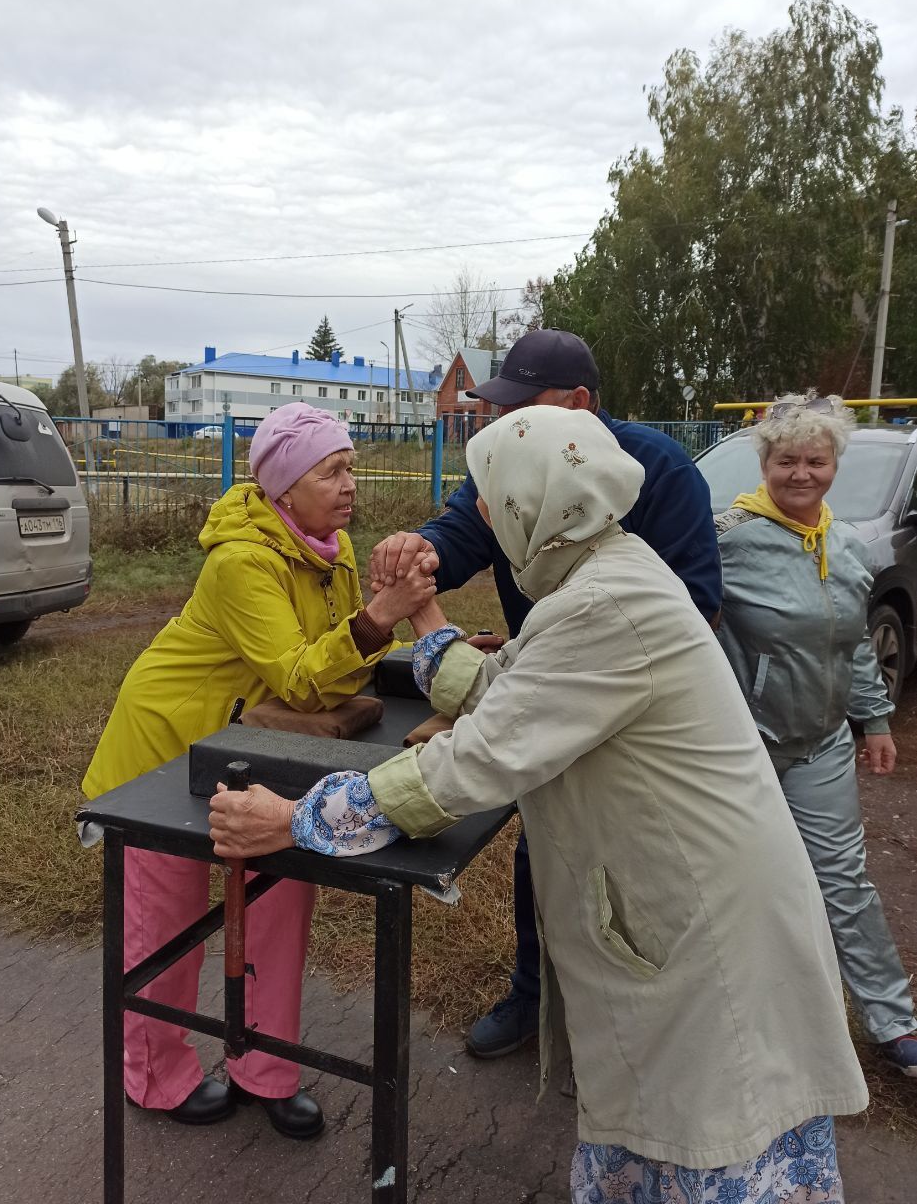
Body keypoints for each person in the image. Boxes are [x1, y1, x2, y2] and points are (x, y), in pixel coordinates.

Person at [210, 405, 867, 1203]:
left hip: (705, 929)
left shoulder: (602, 605)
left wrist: (292, 819)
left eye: (487, 495)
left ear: (535, 503)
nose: (479, 512)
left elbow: (472, 764)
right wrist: (426, 618)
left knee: (715, 1126)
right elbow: (520, 690)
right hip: (694, 901)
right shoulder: (603, 571)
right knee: (675, 1124)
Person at [82, 403, 435, 1133]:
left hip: (257, 756)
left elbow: (334, 678)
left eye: (350, 469)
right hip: (165, 753)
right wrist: (378, 617)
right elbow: (305, 677)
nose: (349, 486)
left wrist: (374, 615)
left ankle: (266, 1067)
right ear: (283, 489)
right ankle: (153, 1074)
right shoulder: (241, 562)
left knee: (279, 904)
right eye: (330, 471)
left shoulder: (329, 553)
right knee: (166, 923)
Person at [370, 328, 722, 1058]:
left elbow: (697, 601)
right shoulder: (514, 461)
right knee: (546, 846)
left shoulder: (662, 471)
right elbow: (464, 527)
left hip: (633, 716)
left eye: (520, 405)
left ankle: (643, 1020)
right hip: (539, 684)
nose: (503, 423)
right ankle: (534, 997)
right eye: (499, 407)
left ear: (579, 404)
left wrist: (575, 652)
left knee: (638, 865)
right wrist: (421, 550)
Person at [715, 391, 917, 1079]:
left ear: (833, 465)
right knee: (735, 885)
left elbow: (854, 643)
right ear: (764, 462)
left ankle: (893, 1024)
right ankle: (732, 1021)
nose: (800, 474)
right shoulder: (727, 541)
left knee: (843, 882)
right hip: (745, 750)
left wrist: (874, 719)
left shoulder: (845, 541)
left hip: (821, 745)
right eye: (786, 460)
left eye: (815, 461)